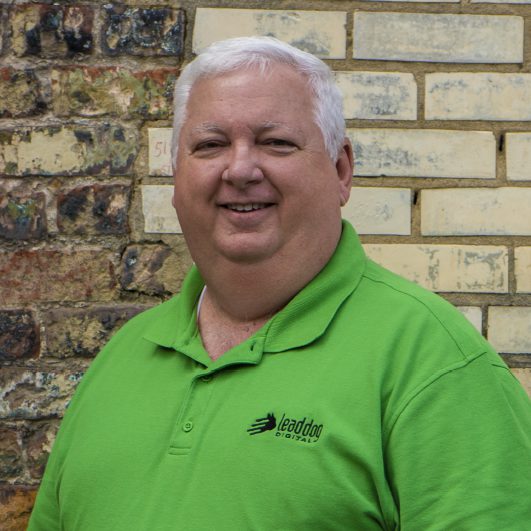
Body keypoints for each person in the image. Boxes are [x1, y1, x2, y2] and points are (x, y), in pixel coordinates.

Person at [29, 37, 530, 530]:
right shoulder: (122, 358)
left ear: (340, 170)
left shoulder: (435, 363)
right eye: (210, 145)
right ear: (176, 174)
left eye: (276, 143)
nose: (241, 168)